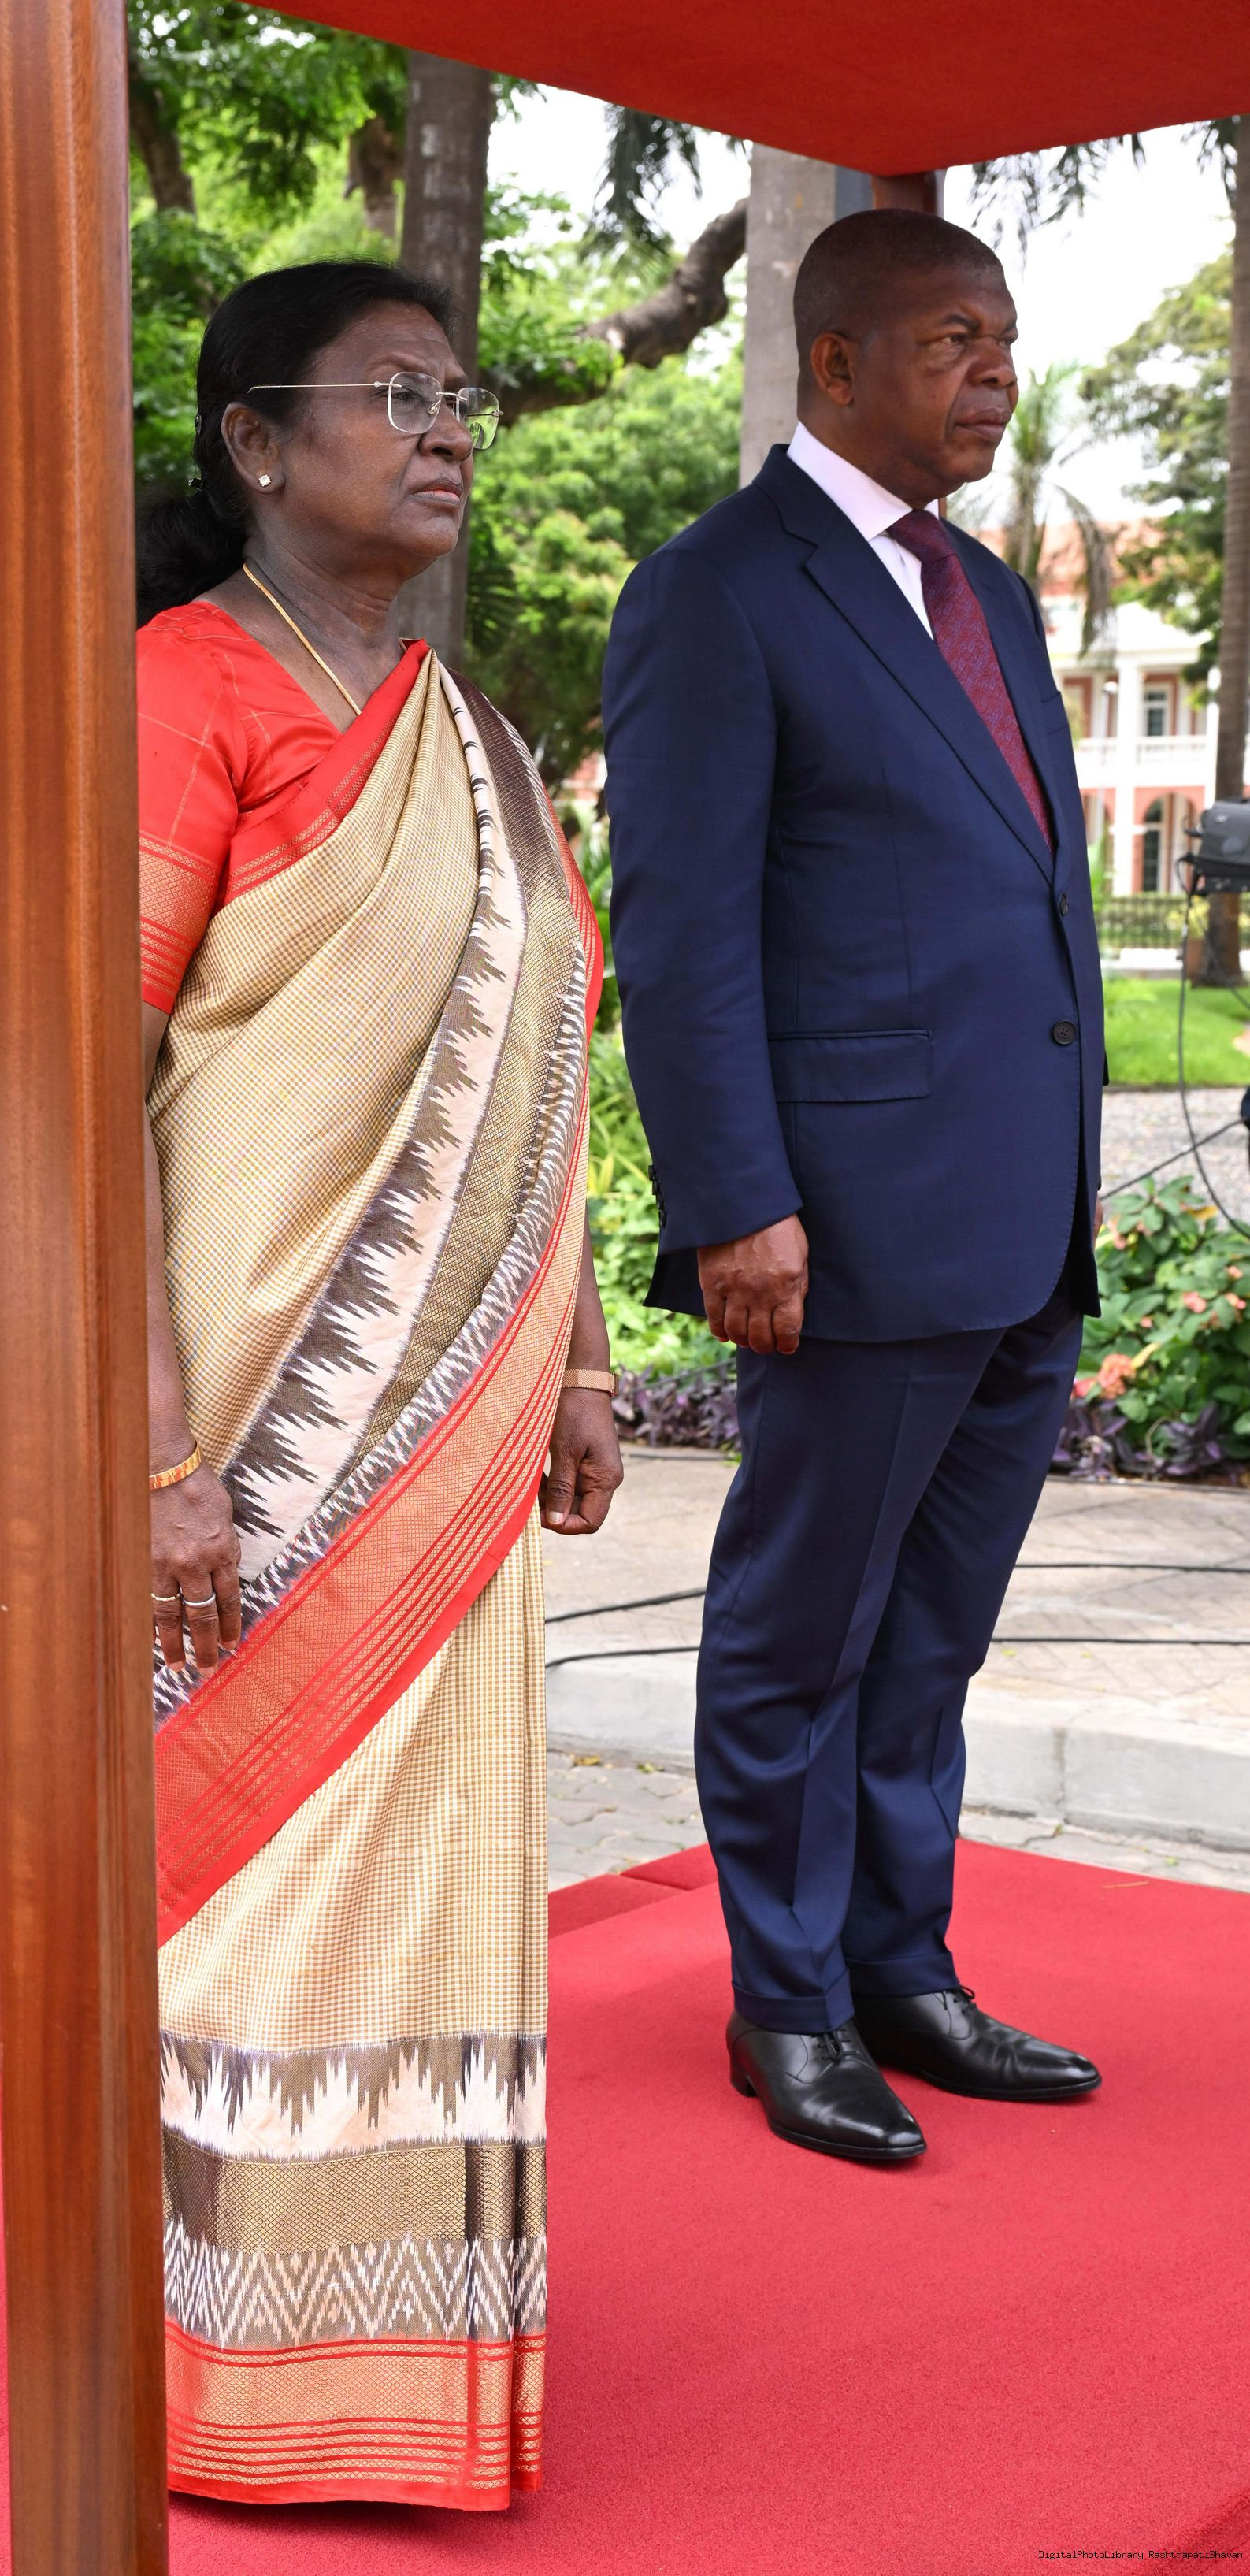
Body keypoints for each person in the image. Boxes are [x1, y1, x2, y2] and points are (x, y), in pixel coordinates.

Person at [0, 261, 622, 2505]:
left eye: (460, 395)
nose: (446, 429)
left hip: (450, 1423)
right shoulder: (172, 691)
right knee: (257, 1860)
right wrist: (156, 1459)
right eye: (394, 394)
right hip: (240, 1427)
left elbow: (539, 1062)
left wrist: (583, 1355)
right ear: (252, 441)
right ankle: (222, 2362)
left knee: (427, 1850)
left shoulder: (470, 734)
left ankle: (400, 2340)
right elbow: (77, 1096)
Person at [603, 210, 1103, 2166]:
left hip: (1018, 1221)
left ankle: (902, 1968)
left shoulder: (989, 595)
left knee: (933, 1637)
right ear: (832, 363)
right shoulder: (717, 593)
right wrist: (736, 1202)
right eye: (954, 340)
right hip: (848, 1226)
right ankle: (789, 2003)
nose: (995, 375)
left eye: (1004, 341)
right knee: (799, 1635)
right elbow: (684, 936)